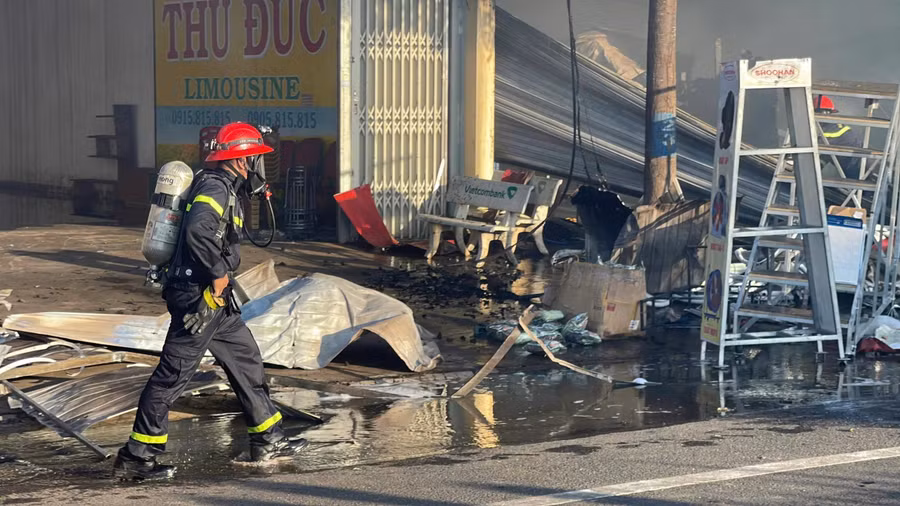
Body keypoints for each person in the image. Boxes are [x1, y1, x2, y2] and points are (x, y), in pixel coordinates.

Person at [113, 122, 308, 481]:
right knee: (172, 377)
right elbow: (198, 230)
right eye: (255, 159)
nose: (259, 167)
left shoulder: (225, 187)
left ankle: (269, 439)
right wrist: (218, 272)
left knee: (246, 361)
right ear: (241, 159)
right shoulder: (214, 187)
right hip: (198, 298)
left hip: (217, 302)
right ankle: (137, 457)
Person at [814, 94, 863, 180]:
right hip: (855, 164)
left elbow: (816, 145)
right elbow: (826, 154)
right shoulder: (833, 126)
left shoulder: (828, 132)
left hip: (855, 166)